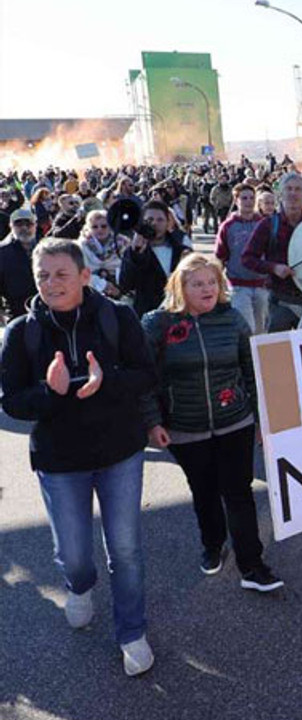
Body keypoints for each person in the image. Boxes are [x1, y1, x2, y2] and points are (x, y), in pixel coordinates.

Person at [0, 239, 158, 676]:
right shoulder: (21, 332)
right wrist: (49, 393)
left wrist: (107, 382)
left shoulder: (118, 317)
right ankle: (80, 586)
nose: (51, 283)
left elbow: (147, 375)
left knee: (124, 550)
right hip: (59, 459)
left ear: (85, 276)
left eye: (61, 274)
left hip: (119, 452)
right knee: (73, 555)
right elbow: (12, 401)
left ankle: (132, 632)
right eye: (43, 275)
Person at [140, 254, 281, 591]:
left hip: (235, 422)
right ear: (180, 287)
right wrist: (153, 422)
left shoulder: (233, 320)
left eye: (212, 282)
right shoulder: (157, 324)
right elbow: (145, 381)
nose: (206, 289)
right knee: (204, 491)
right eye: (197, 283)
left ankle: (252, 565)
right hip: (184, 428)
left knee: (238, 492)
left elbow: (252, 372)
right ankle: (212, 544)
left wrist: (261, 418)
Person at [241, 173, 302, 331]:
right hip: (280, 302)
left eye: (298, 189)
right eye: (289, 189)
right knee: (278, 354)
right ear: (280, 193)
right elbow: (247, 258)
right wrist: (273, 268)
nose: (293, 193)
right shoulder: (267, 225)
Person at [119, 200, 193, 317]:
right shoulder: (133, 251)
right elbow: (126, 285)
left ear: (168, 222)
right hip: (147, 314)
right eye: (150, 220)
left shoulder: (181, 249)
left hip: (179, 312)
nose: (155, 224)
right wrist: (136, 255)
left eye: (160, 220)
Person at [215, 184, 270, 334]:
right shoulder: (228, 226)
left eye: (252, 198)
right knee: (246, 329)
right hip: (239, 286)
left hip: (262, 285)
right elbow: (220, 255)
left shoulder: (264, 223)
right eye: (244, 198)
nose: (248, 201)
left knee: (261, 331)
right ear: (236, 200)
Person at [0, 206, 40, 321]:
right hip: (16, 312)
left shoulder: (45, 248)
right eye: (19, 224)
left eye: (28, 224)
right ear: (11, 226)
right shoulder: (2, 252)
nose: (24, 228)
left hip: (47, 308)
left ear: (35, 226)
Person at [78, 209, 125, 300]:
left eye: (104, 226)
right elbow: (80, 272)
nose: (100, 229)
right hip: (91, 291)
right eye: (94, 227)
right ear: (88, 228)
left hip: (119, 289)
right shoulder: (81, 246)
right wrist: (103, 285)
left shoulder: (123, 243)